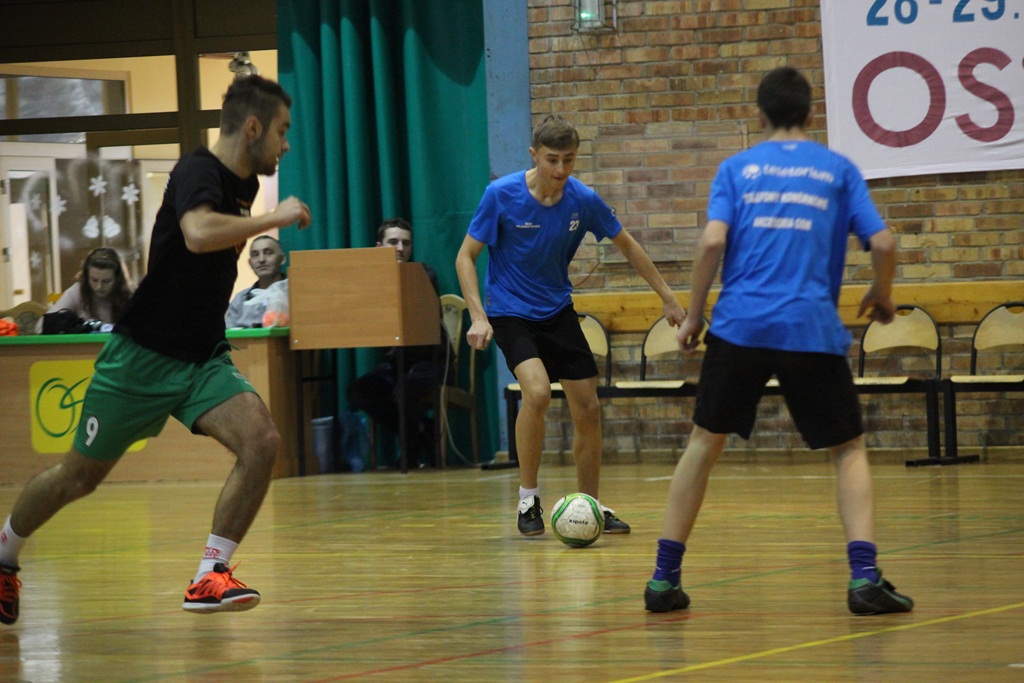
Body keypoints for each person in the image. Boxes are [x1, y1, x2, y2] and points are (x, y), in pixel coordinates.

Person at [0, 74, 312, 626]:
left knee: (261, 441)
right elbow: (195, 232)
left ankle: (210, 575)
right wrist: (274, 217)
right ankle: (3, 554)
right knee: (78, 478)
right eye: (283, 131)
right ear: (253, 126)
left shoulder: (239, 184)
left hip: (200, 358)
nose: (286, 144)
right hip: (141, 358)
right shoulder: (198, 170)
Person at [643, 67, 913, 616]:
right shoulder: (837, 169)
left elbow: (711, 242)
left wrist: (693, 317)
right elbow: (882, 243)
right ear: (811, 115)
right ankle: (864, 579)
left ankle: (663, 582)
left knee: (703, 444)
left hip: (740, 326)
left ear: (760, 115)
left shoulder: (736, 169)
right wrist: (882, 295)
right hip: (809, 328)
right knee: (848, 449)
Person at [456, 114, 686, 537]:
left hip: (557, 311)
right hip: (510, 312)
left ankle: (591, 507)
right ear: (534, 155)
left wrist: (668, 297)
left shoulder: (582, 199)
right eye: (551, 160)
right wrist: (477, 314)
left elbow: (628, 246)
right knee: (539, 393)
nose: (560, 171)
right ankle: (528, 499)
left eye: (568, 160)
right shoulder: (501, 195)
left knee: (588, 407)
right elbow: (465, 256)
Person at [346, 217, 452, 468]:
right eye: (393, 242)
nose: (400, 248)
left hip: (432, 362)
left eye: (406, 243)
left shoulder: (423, 274)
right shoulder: (371, 283)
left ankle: (411, 456)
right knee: (359, 391)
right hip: (396, 366)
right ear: (379, 246)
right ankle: (420, 431)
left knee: (405, 389)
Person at [40, 246, 135, 330]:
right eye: (94, 280)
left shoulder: (132, 295)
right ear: (86, 277)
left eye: (106, 281)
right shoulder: (77, 291)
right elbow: (40, 326)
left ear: (118, 280)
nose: (99, 287)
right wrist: (74, 325)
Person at [225, 234, 287, 328]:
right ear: (250, 263)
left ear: (282, 259)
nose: (261, 260)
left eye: (268, 252)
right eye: (255, 255)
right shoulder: (240, 300)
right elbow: (228, 334)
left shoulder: (295, 293)